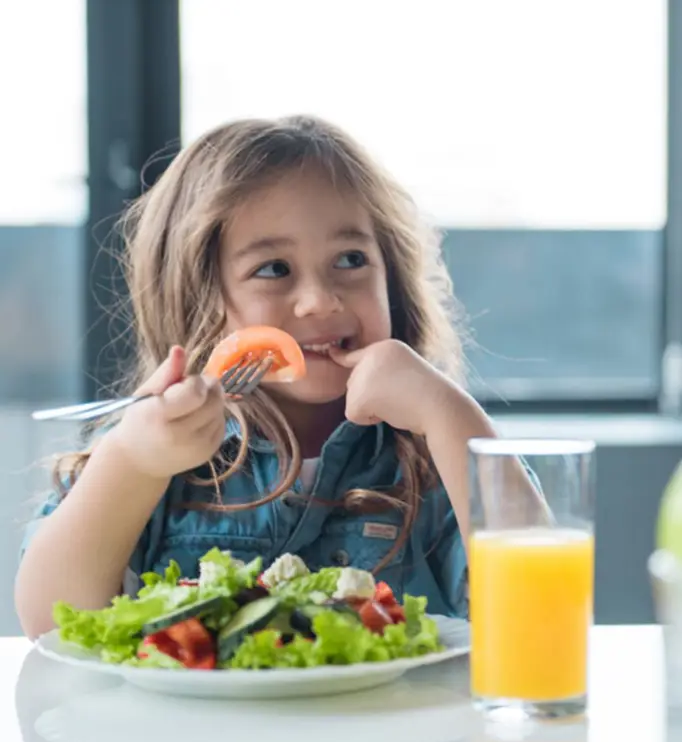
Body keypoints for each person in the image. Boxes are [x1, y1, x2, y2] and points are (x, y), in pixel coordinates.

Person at [15, 115, 502, 639]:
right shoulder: (152, 450)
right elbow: (53, 623)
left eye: (351, 259)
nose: (320, 300)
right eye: (273, 269)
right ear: (196, 298)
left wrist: (454, 419)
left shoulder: (431, 456)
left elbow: (534, 609)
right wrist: (131, 464)